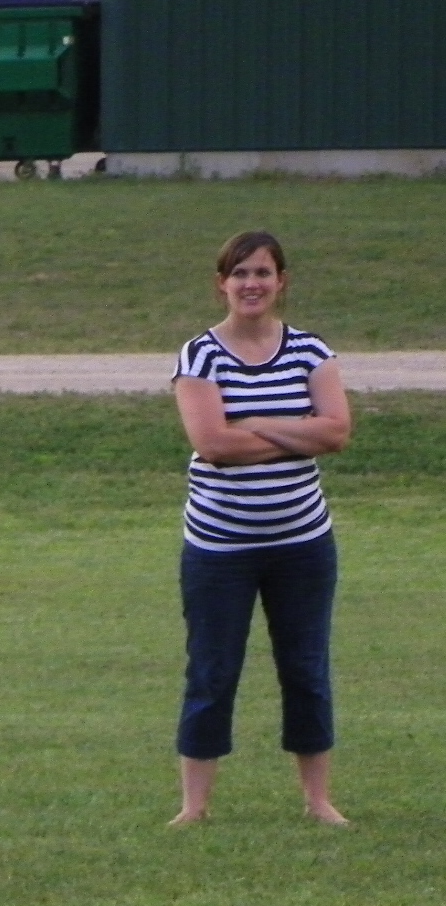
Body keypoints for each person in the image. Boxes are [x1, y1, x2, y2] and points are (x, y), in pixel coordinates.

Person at [168, 230, 352, 827]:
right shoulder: (200, 356)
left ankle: (318, 800)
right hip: (219, 549)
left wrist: (253, 420)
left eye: (263, 273)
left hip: (303, 545)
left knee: (306, 669)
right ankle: (194, 807)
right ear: (221, 283)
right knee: (212, 671)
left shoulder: (311, 352)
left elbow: (336, 433)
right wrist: (296, 430)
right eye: (240, 273)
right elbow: (213, 445)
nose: (252, 284)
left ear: (281, 281)